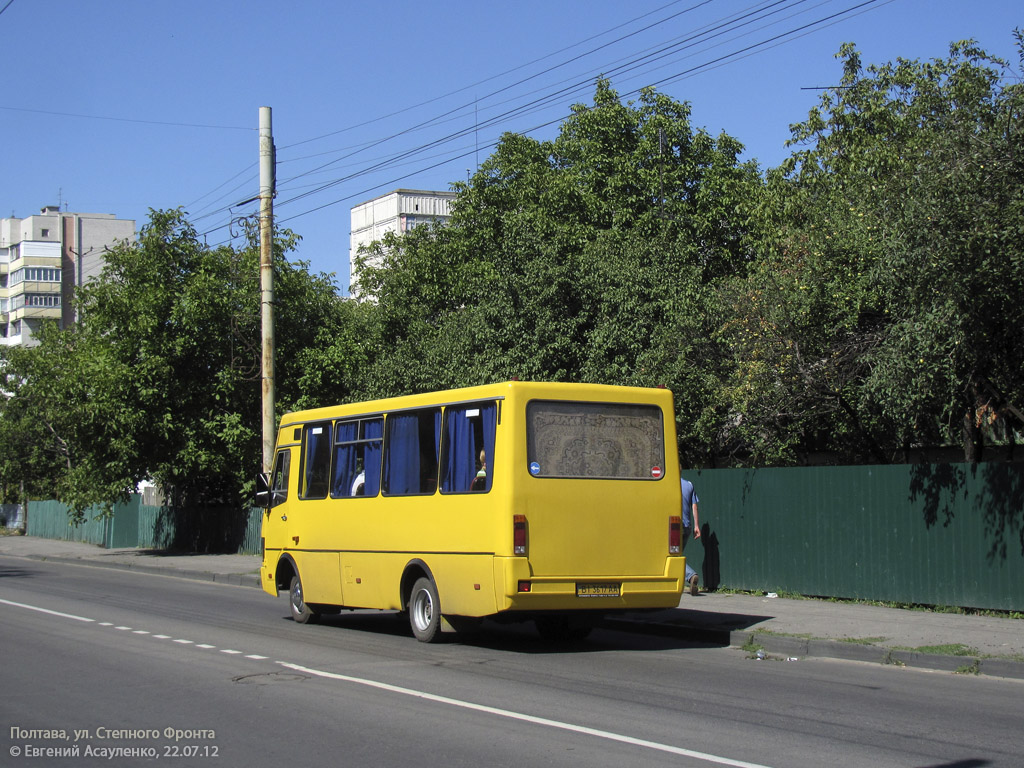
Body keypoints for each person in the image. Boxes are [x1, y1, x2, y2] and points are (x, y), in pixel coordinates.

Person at [680, 473, 701, 595]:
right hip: (687, 526)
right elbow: (694, 506)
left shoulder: (670, 484)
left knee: (672, 556)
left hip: (673, 525)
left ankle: (690, 575)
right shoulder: (689, 484)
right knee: (676, 555)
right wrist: (697, 526)